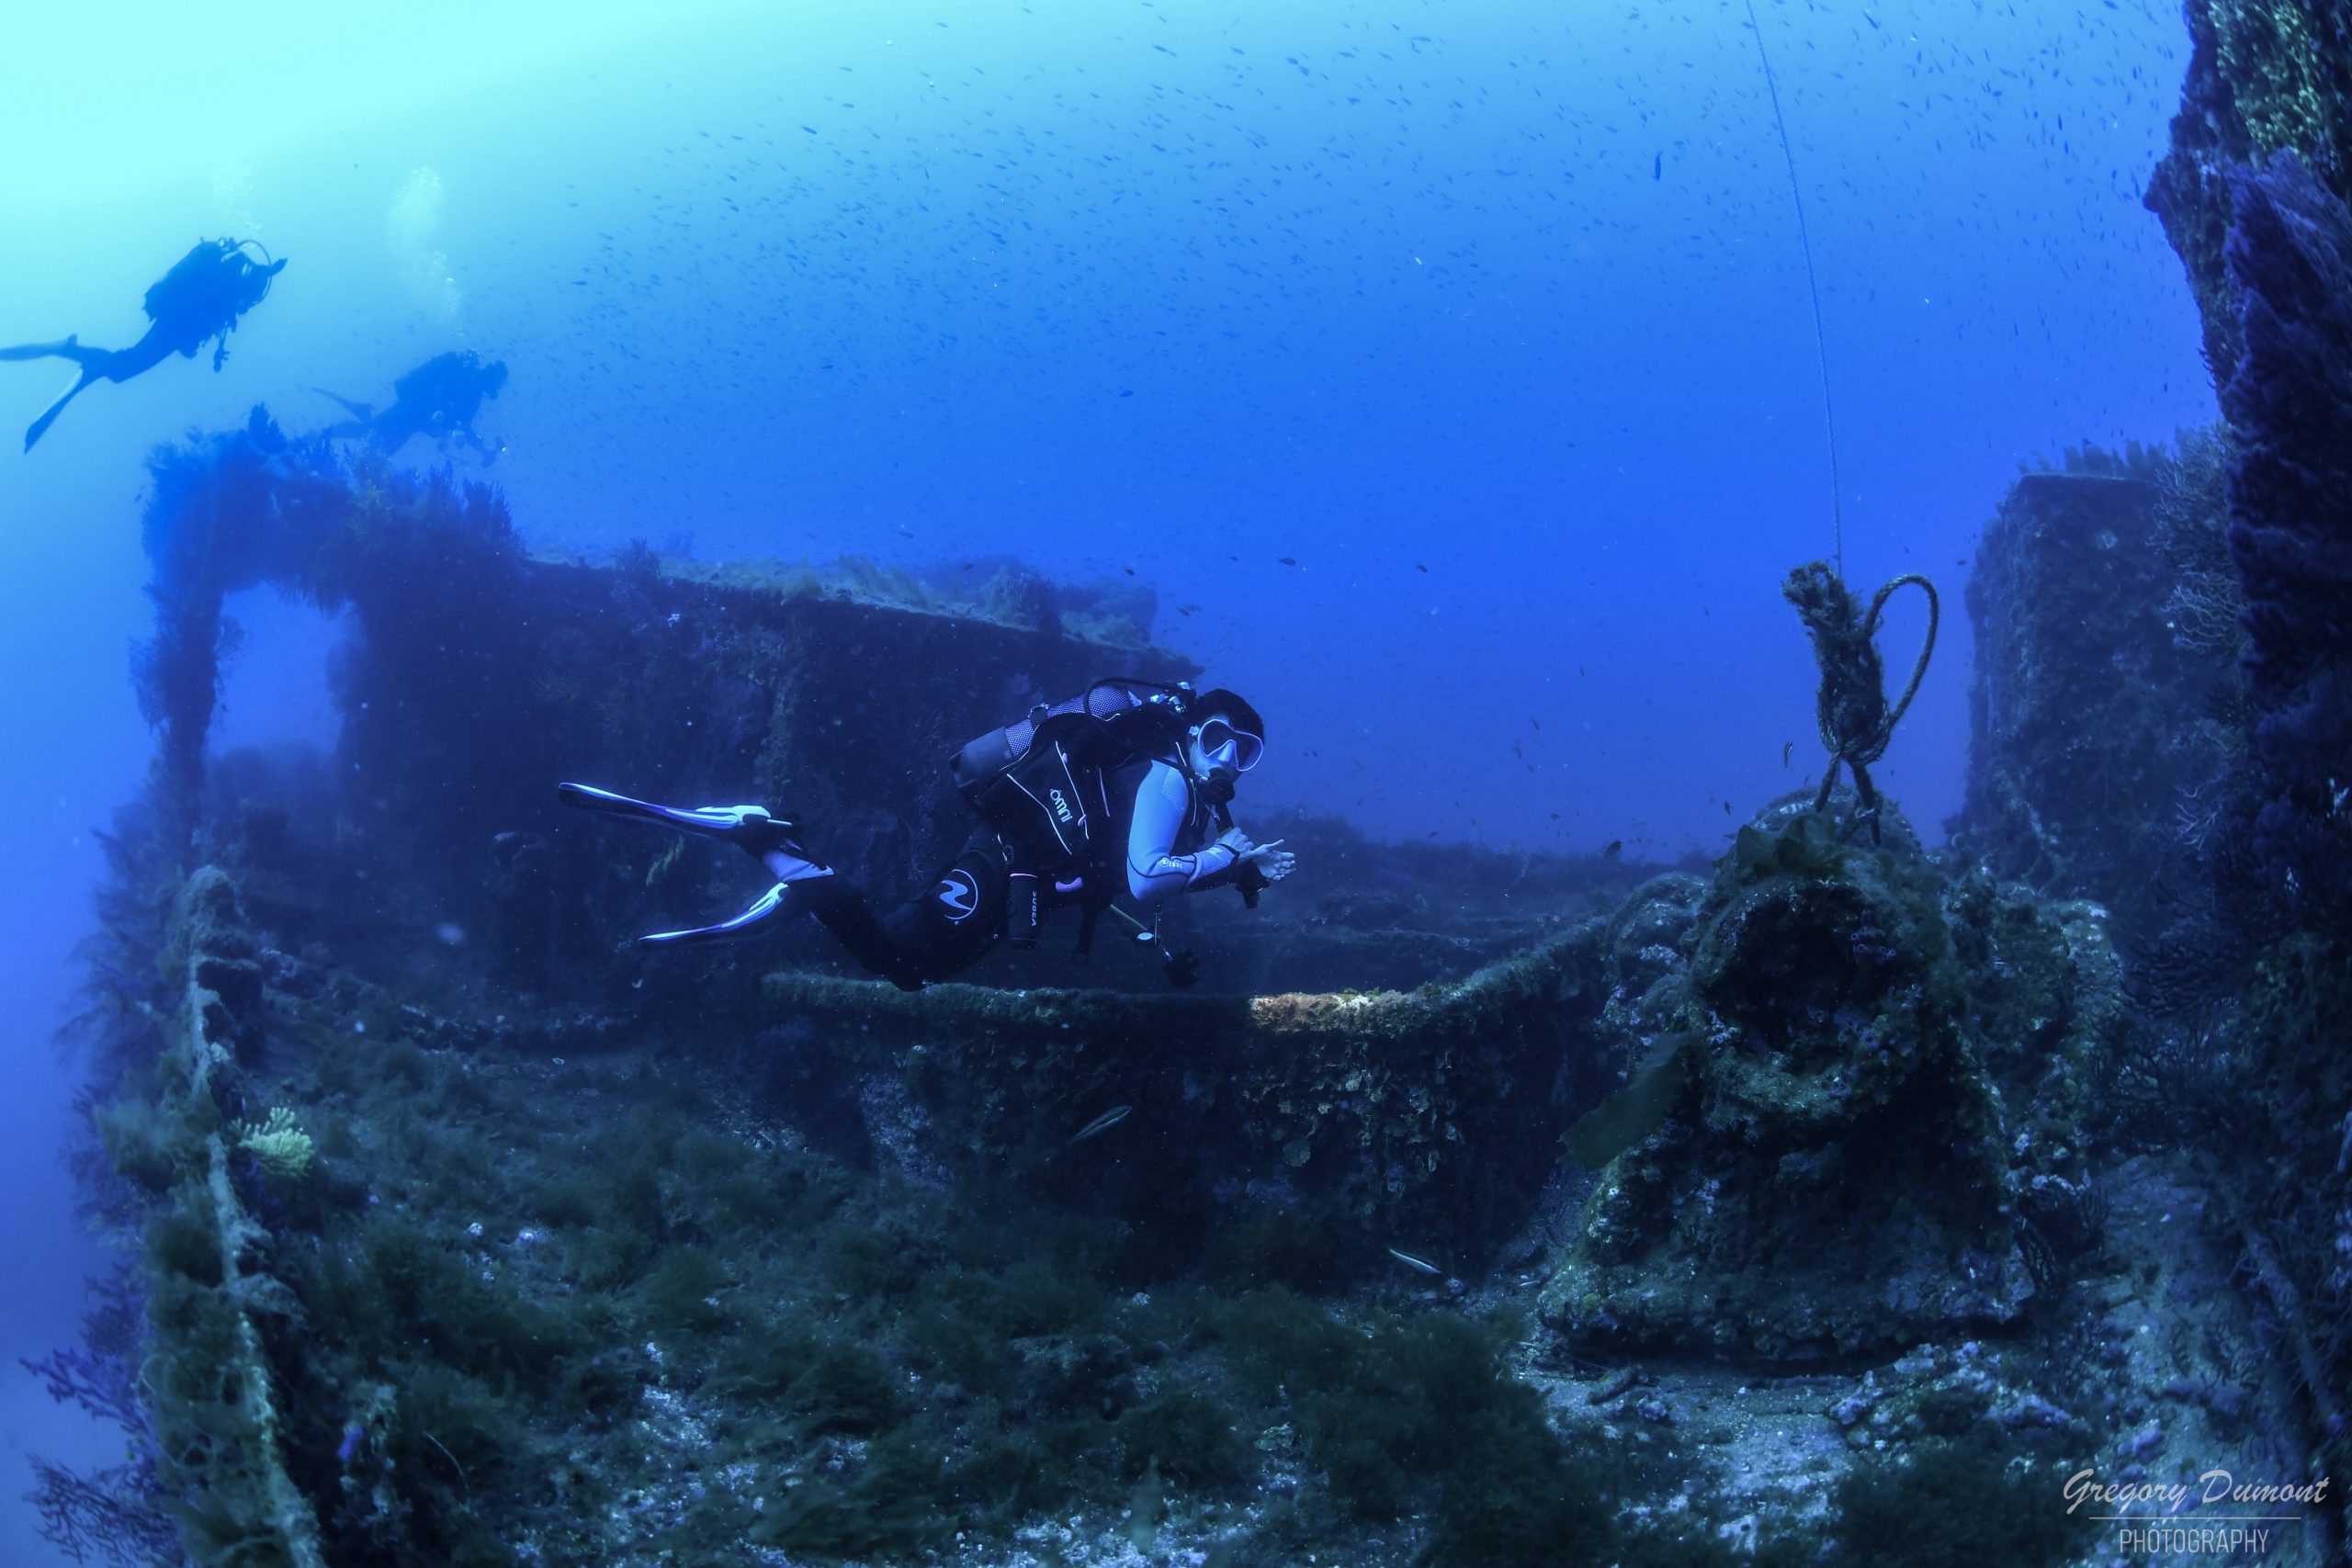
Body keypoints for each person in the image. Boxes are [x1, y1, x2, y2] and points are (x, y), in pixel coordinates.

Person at [560, 681, 1296, 989]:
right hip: (1002, 866)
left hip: (1013, 875)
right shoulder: (1170, 779)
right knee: (902, 961)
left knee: (911, 967)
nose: (1229, 759)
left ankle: (779, 854)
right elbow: (1143, 877)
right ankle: (792, 864)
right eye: (1221, 738)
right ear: (1193, 732)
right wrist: (1220, 859)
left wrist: (1229, 864)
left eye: (1247, 752)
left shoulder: (1182, 786)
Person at [2, 238, 286, 451]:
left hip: (174, 320)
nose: (250, 305)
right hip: (176, 324)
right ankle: (87, 371)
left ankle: (68, 348)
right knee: (123, 369)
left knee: (129, 361)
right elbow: (208, 310)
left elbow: (208, 312)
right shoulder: (243, 282)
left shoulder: (231, 271)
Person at [316, 350, 507, 460]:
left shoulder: (475, 393)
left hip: (416, 421)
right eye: (500, 382)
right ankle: (319, 435)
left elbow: (463, 424)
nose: (499, 387)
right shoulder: (468, 381)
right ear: (493, 376)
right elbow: (445, 403)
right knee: (367, 434)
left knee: (379, 450)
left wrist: (480, 447)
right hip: (412, 410)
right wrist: (445, 419)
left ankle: (360, 416)